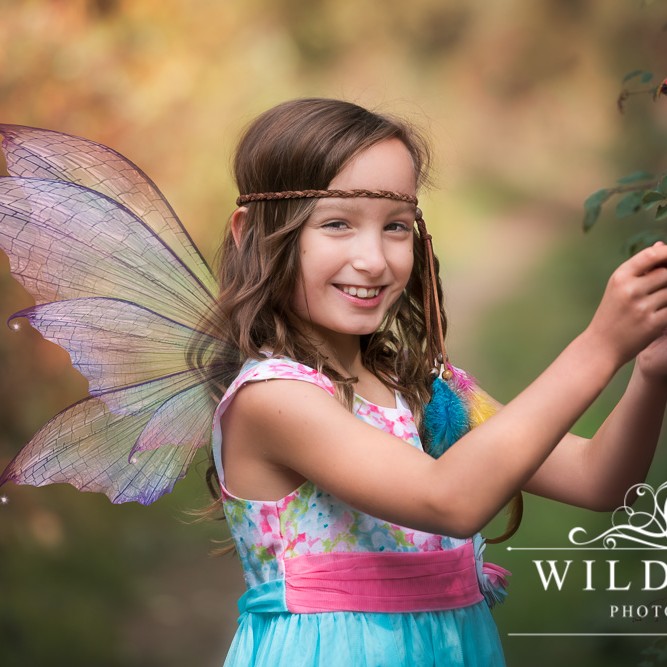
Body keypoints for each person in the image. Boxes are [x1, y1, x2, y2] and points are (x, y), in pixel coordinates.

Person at [195, 98, 667, 666]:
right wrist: (599, 347)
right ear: (250, 233)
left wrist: (648, 370)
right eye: (337, 224)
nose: (373, 259)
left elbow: (601, 481)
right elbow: (449, 500)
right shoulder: (273, 398)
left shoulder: (427, 392)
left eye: (396, 227)